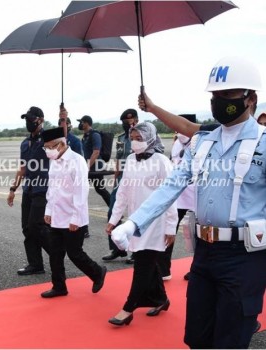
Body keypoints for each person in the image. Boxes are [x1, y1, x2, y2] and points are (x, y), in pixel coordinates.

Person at [116, 56, 266, 348]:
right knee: (197, 337)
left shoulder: (263, 142)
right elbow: (170, 186)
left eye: (228, 95)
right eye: (215, 96)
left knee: (230, 340)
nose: (220, 102)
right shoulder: (204, 142)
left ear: (251, 99)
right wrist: (134, 222)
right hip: (205, 253)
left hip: (245, 256)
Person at [106, 122, 177, 326]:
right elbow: (123, 192)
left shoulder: (162, 161)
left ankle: (128, 308)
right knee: (147, 260)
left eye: (140, 139)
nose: (135, 143)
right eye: (133, 139)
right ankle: (161, 299)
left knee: (143, 263)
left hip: (156, 222)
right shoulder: (130, 159)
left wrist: (171, 227)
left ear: (151, 138)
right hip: (135, 220)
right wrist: (114, 219)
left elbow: (170, 196)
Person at [40, 127, 107, 298]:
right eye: (45, 147)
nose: (48, 150)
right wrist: (48, 210)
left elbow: (81, 191)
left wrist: (76, 218)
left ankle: (97, 272)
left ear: (62, 144)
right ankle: (59, 286)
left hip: (73, 216)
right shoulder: (54, 161)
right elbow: (52, 188)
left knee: (74, 253)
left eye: (50, 147)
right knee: (55, 253)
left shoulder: (77, 161)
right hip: (56, 215)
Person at [7, 106, 50, 276]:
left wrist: (63, 118)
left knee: (36, 226)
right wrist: (13, 189)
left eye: (31, 119)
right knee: (26, 228)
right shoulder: (25, 143)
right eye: (26, 120)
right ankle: (35, 264)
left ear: (40, 120)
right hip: (29, 189)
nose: (28, 123)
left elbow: (63, 138)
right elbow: (22, 169)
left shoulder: (49, 139)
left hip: (44, 188)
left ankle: (56, 254)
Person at [157, 114, 197, 281]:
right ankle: (164, 269)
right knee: (169, 229)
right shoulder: (176, 143)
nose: (177, 130)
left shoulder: (199, 143)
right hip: (178, 194)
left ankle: (197, 269)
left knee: (197, 234)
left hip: (196, 194)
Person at [102, 109, 139, 263]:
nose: (127, 124)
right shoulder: (121, 138)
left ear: (136, 120)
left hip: (139, 177)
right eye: (124, 122)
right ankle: (118, 248)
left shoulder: (144, 135)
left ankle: (138, 251)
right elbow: (118, 157)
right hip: (122, 178)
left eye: (129, 121)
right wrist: (116, 177)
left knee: (137, 214)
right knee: (112, 212)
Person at [77, 115, 111, 207]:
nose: (80, 124)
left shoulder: (95, 135)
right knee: (81, 188)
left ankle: (114, 210)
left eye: (82, 122)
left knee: (100, 189)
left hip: (96, 167)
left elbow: (96, 152)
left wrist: (86, 167)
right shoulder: (85, 136)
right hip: (89, 167)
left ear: (87, 123)